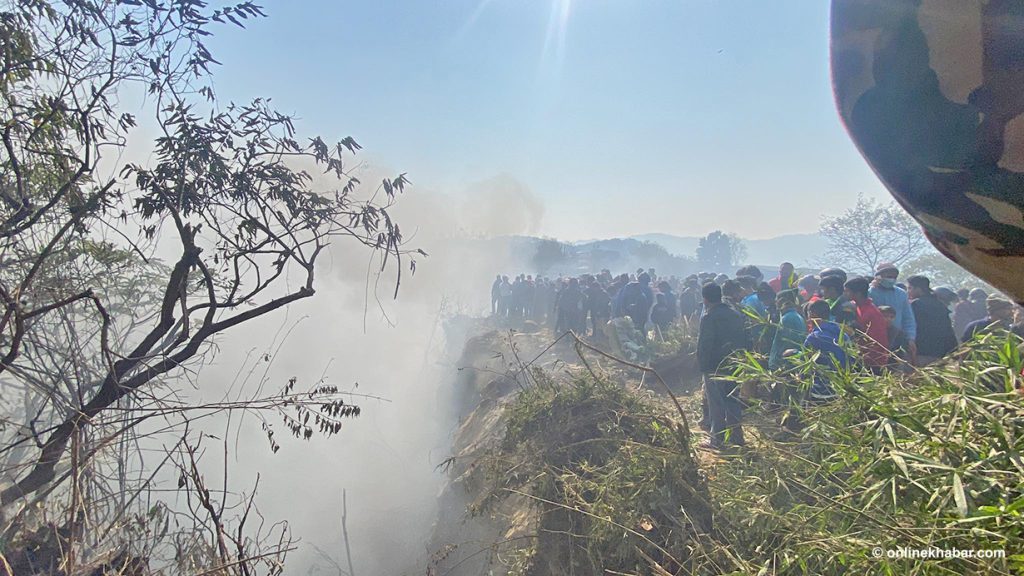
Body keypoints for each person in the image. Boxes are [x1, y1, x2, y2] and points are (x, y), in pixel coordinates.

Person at [697, 282, 748, 450]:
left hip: (714, 367)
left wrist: (702, 366)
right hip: (733, 364)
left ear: (705, 299)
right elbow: (744, 339)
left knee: (716, 404)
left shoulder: (709, 317)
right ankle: (737, 438)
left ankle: (717, 440)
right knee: (732, 401)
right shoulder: (735, 314)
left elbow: (705, 344)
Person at [868, 263, 917, 365]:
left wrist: (910, 338)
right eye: (888, 276)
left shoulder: (901, 294)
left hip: (896, 338)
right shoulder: (870, 292)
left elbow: (908, 318)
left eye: (894, 277)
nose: (891, 279)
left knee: (895, 367)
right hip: (875, 338)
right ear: (879, 277)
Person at [907, 275, 958, 365]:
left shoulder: (915, 305)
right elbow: (948, 330)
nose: (908, 292)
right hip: (941, 353)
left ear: (918, 289)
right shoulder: (940, 305)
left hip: (922, 352)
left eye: (910, 288)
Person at [804, 299, 848, 400]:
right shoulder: (843, 335)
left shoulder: (814, 337)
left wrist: (793, 353)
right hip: (842, 388)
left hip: (822, 390)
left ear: (812, 314)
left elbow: (806, 362)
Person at [844, 277, 890, 371]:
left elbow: (877, 341)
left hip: (872, 363)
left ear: (858, 293)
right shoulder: (857, 307)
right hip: (861, 358)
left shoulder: (871, 313)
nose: (845, 294)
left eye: (847, 291)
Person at [769, 290, 807, 371]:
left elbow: (788, 344)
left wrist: (781, 362)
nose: (775, 303)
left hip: (786, 365)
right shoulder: (795, 315)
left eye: (777, 300)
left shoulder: (787, 319)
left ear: (782, 301)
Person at [613, 272, 654, 338]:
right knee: (637, 329)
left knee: (633, 330)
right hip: (636, 314)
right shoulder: (643, 289)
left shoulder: (630, 287)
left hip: (633, 314)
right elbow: (650, 303)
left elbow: (621, 300)